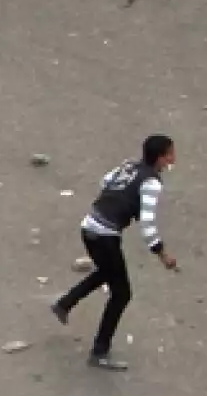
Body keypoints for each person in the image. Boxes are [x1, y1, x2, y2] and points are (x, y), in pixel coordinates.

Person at [51, 134, 179, 371]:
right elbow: (148, 225)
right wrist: (162, 254)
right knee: (122, 293)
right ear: (161, 158)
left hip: (89, 225)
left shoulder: (129, 166)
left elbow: (106, 181)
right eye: (171, 153)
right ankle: (99, 350)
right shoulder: (151, 183)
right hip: (105, 236)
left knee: (108, 272)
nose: (174, 157)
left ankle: (64, 304)